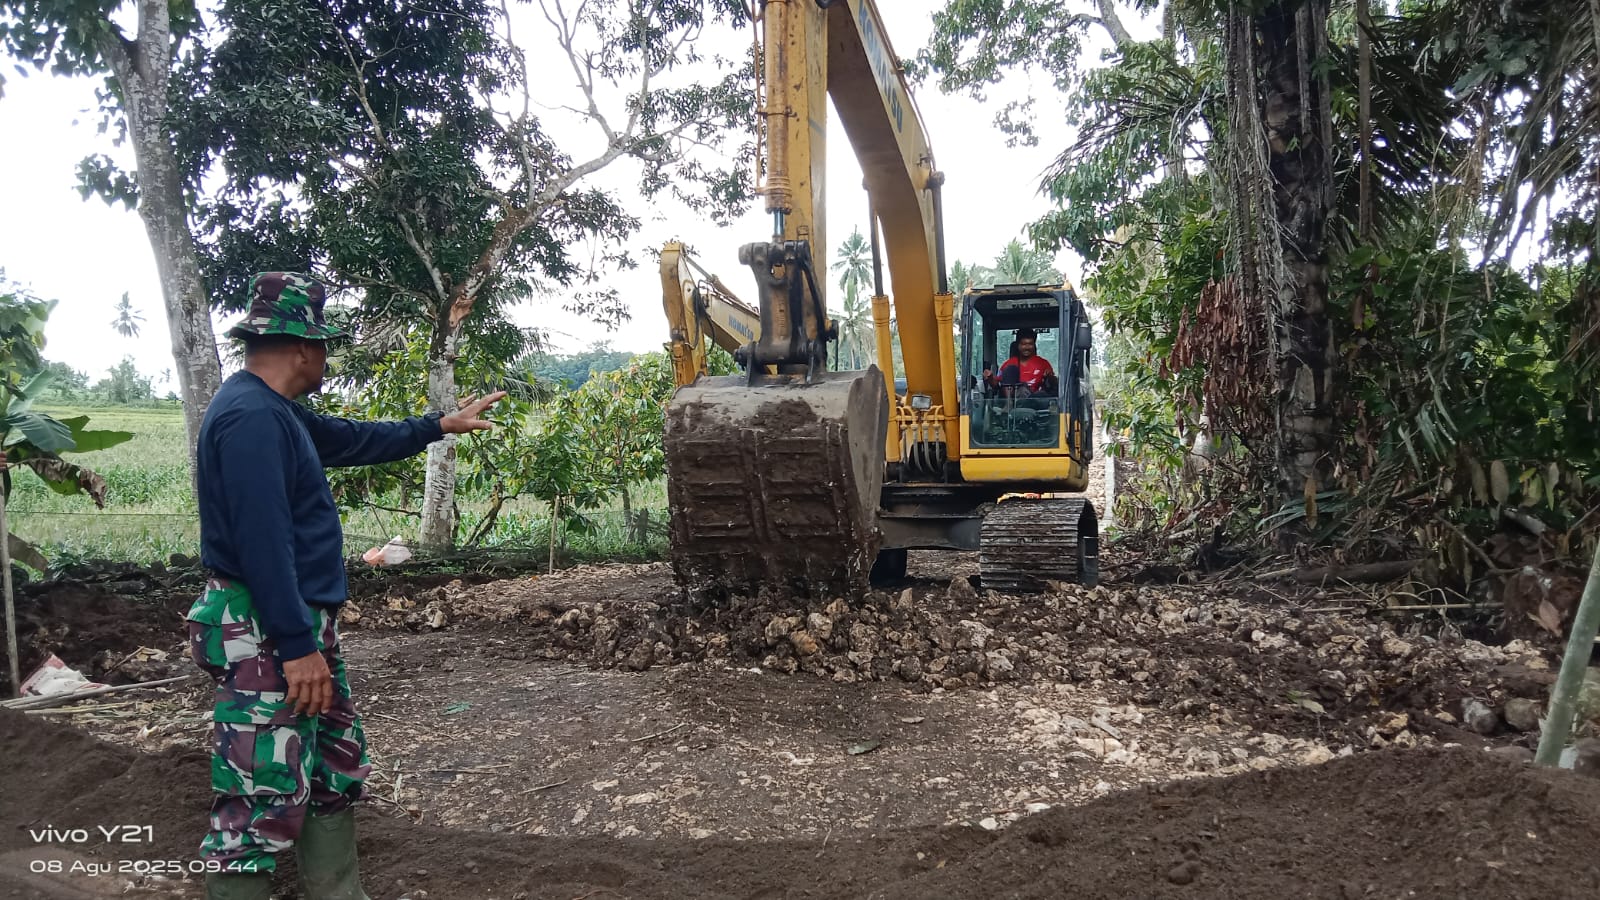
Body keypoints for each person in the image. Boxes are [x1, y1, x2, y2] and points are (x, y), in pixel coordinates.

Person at [190, 272, 505, 900]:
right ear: (302, 348)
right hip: (266, 628)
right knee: (261, 791)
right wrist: (296, 646)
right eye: (324, 347)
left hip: (296, 623)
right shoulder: (251, 420)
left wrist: (438, 424)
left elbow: (352, 438)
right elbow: (262, 544)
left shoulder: (276, 412)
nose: (327, 360)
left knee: (331, 766)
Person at [988, 328, 1055, 397]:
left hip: (1036, 400)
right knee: (1020, 387)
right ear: (1018, 345)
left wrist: (1049, 377)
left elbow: (1052, 385)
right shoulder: (1008, 364)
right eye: (1024, 344)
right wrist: (990, 378)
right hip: (1014, 400)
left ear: (1034, 345)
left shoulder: (1043, 363)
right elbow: (996, 385)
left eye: (1030, 344)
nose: (1027, 347)